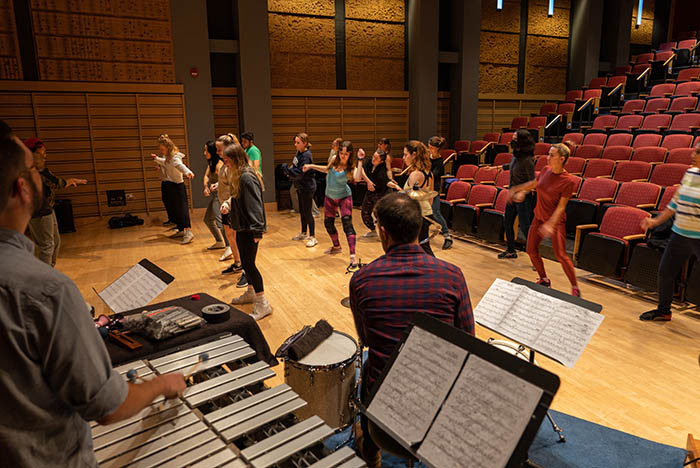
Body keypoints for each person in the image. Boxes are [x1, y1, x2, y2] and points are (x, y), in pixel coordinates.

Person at [0, 122, 186, 467]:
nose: (42, 172)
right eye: (33, 167)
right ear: (21, 189)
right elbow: (109, 406)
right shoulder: (46, 291)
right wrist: (161, 385)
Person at [349, 191, 474, 468]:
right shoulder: (453, 276)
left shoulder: (362, 280)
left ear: (383, 232)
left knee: (372, 364)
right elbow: (468, 342)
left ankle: (370, 449)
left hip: (385, 404)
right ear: (420, 227)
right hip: (438, 402)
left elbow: (366, 338)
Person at [509, 143, 580, 297]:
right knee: (531, 250)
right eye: (548, 154)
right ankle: (544, 279)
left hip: (555, 222)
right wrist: (519, 190)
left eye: (552, 155)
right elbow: (535, 184)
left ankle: (575, 287)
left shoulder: (568, 181)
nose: (548, 158)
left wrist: (550, 224)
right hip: (539, 218)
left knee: (561, 254)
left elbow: (561, 207)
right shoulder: (546, 170)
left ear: (562, 159)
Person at [639, 143, 700, 321]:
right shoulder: (690, 173)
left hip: (698, 237)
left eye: (698, 152)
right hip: (679, 233)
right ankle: (664, 310)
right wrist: (656, 221)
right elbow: (675, 203)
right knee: (665, 272)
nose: (693, 154)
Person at [220, 143, 272, 320]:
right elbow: (238, 199)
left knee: (249, 265)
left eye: (226, 161)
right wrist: (228, 204)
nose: (225, 164)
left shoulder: (247, 177)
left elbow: (255, 205)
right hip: (242, 226)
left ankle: (263, 303)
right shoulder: (239, 175)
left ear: (235, 159)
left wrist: (258, 230)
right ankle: (251, 292)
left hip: (250, 228)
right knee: (246, 263)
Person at [23, 138, 87, 267]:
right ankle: (44, 276)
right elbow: (57, 183)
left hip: (47, 210)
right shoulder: (35, 172)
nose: (45, 156)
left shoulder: (37, 171)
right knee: (47, 245)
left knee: (55, 242)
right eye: (42, 154)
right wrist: (70, 181)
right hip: (39, 213)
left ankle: (49, 271)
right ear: (33, 155)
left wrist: (69, 181)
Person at [303, 140, 358, 267]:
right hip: (330, 197)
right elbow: (327, 170)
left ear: (350, 155)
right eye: (341, 153)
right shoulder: (334, 159)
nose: (343, 156)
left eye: (346, 154)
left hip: (344, 197)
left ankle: (352, 255)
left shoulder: (351, 168)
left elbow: (359, 177)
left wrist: (360, 163)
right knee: (328, 224)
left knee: (347, 224)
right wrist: (311, 166)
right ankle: (336, 246)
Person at [387, 140, 436, 256]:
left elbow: (407, 198)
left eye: (405, 154)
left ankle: (434, 269)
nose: (403, 158)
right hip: (426, 212)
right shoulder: (428, 173)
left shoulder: (415, 174)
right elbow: (430, 196)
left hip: (418, 215)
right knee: (422, 246)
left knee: (422, 247)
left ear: (414, 155)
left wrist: (396, 189)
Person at [499, 129, 536, 259]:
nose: (511, 142)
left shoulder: (527, 160)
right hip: (512, 194)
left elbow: (533, 182)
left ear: (521, 141)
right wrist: (497, 168)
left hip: (523, 198)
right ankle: (510, 250)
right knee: (507, 221)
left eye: (515, 139)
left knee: (525, 227)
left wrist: (523, 193)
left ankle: (535, 254)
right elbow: (512, 165)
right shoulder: (517, 155)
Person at [152, 134, 195, 244]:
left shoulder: (175, 157)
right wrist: (156, 159)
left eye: (162, 149)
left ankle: (188, 232)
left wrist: (188, 172)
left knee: (182, 209)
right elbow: (165, 162)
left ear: (168, 147)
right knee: (173, 208)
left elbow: (180, 166)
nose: (161, 151)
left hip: (177, 187)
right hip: (169, 185)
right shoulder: (167, 157)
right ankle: (181, 229)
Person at [214, 134, 245, 285]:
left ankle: (245, 268)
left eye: (220, 149)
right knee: (230, 235)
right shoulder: (225, 166)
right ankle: (237, 263)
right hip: (225, 205)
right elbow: (225, 184)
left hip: (232, 206)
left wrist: (228, 203)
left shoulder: (233, 168)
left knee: (238, 237)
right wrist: (217, 186)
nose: (218, 152)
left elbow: (236, 189)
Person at [284, 133, 317, 247]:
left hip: (307, 186)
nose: (295, 145)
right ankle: (303, 232)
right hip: (300, 186)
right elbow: (295, 166)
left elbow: (300, 172)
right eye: (295, 142)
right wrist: (289, 171)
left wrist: (288, 171)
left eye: (298, 143)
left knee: (308, 212)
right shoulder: (299, 153)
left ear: (305, 143)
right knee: (302, 211)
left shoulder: (306, 155)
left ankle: (312, 236)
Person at [355, 149, 389, 237]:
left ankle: (384, 233)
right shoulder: (369, 162)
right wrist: (368, 181)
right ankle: (373, 230)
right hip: (370, 192)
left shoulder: (382, 171)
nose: (373, 159)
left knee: (379, 215)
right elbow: (361, 169)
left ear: (381, 161)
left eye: (376, 158)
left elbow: (387, 182)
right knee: (365, 213)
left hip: (380, 193)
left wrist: (395, 186)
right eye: (373, 156)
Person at [427, 136, 453, 250]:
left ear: (437, 149)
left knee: (436, 212)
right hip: (425, 189)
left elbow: (432, 176)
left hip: (434, 190)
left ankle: (447, 236)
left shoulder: (439, 163)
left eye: (431, 148)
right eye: (429, 147)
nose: (429, 150)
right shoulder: (428, 157)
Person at [202, 140, 227, 250]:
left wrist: (216, 185)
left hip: (220, 197)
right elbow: (206, 176)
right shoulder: (211, 163)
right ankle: (219, 241)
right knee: (208, 219)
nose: (204, 153)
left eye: (206, 150)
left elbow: (225, 180)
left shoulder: (219, 165)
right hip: (214, 196)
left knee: (220, 222)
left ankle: (229, 246)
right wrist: (206, 187)